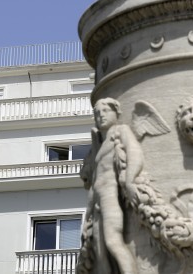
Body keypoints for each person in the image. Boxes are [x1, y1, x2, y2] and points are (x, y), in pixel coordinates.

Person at [81, 98, 140, 274]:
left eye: (106, 111)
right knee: (100, 253)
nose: (101, 116)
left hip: (110, 198)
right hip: (97, 203)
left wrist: (129, 181)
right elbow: (94, 183)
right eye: (97, 113)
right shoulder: (100, 144)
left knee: (113, 243)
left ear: (117, 113)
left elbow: (135, 155)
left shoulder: (121, 131)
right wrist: (87, 217)